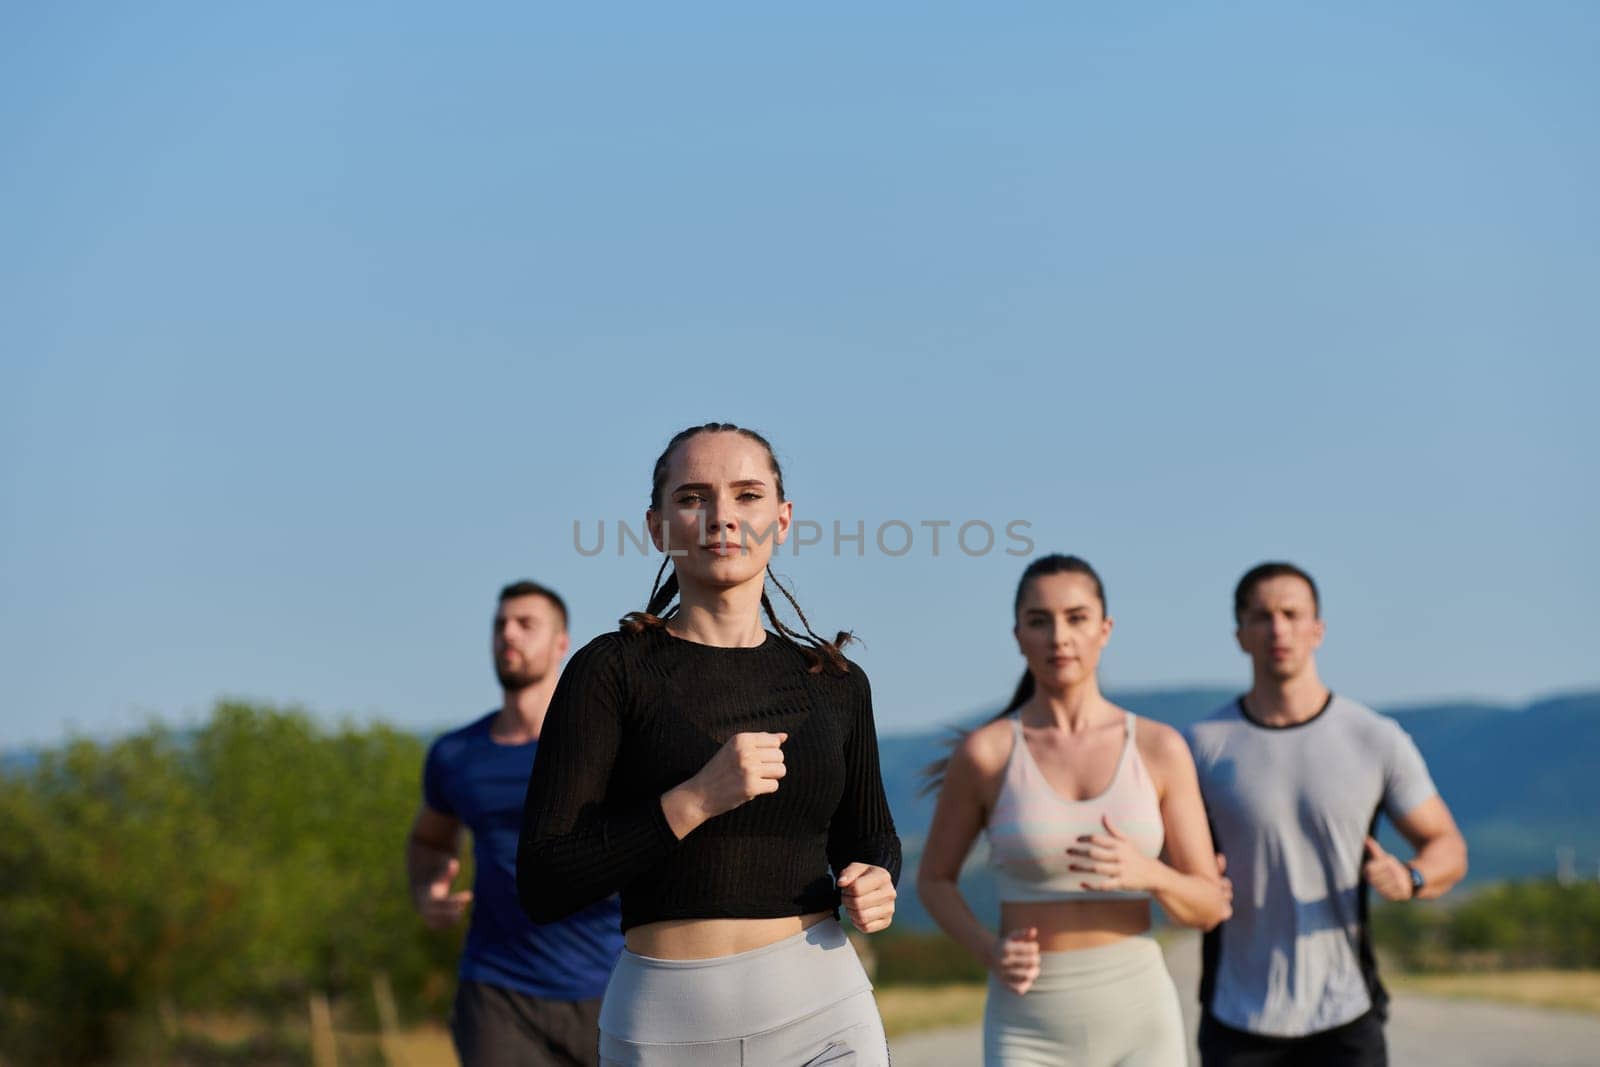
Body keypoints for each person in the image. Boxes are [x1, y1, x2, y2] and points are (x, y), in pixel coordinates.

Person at [517, 422, 901, 1067]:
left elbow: (871, 840)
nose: (723, 517)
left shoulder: (835, 684)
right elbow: (545, 879)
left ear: (782, 520)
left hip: (823, 1012)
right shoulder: (611, 671)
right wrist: (694, 800)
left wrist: (878, 881)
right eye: (694, 497)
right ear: (658, 527)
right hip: (665, 1030)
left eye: (747, 495)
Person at [919, 554, 1232, 1067]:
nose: (1058, 636)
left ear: (1105, 629)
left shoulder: (1159, 748)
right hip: (1027, 1025)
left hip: (1140, 1018)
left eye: (1076, 617)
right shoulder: (986, 754)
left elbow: (1210, 905)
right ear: (1018, 636)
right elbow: (934, 880)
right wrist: (985, 949)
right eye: (1039, 621)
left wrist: (1150, 873)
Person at [1185, 562, 1469, 1066]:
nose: (1278, 629)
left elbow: (1447, 844)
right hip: (1237, 1018)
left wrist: (1412, 875)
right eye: (1261, 616)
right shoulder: (1202, 747)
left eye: (1292, 614)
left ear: (1318, 629)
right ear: (1240, 635)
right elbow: (1163, 854)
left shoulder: (1373, 738)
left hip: (1344, 1012)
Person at [407, 581, 624, 1067]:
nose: (509, 634)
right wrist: (427, 892)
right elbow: (429, 839)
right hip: (497, 989)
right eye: (500, 624)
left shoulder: (607, 747)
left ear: (561, 643)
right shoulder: (457, 754)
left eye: (527, 624)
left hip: (609, 985)